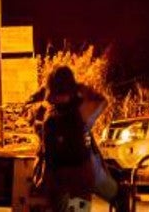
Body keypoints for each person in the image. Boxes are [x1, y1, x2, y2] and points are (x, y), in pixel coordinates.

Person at [39, 66, 110, 212]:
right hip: (72, 180)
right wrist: (79, 86)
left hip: (70, 180)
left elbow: (48, 153)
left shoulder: (56, 116)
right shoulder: (77, 112)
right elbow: (102, 101)